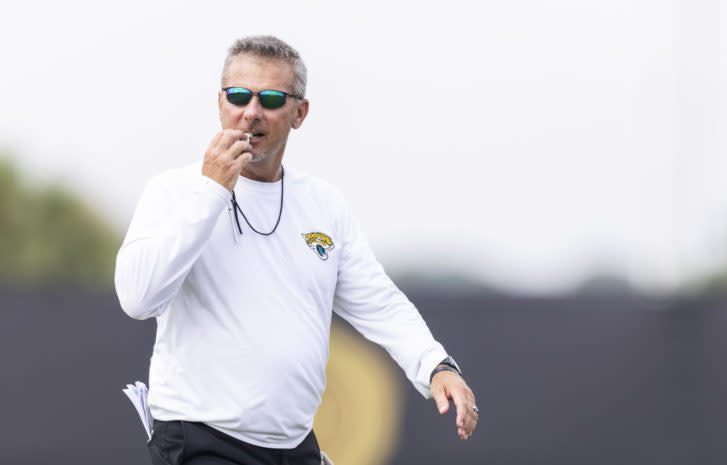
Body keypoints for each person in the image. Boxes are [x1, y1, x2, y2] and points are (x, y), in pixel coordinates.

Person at [115, 35, 478, 465]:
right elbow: (138, 299)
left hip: (293, 445)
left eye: (270, 98)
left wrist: (437, 365)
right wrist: (210, 191)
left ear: (299, 112)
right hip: (200, 440)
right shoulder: (175, 190)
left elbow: (378, 302)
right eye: (238, 96)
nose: (251, 111)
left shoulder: (323, 204)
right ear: (219, 102)